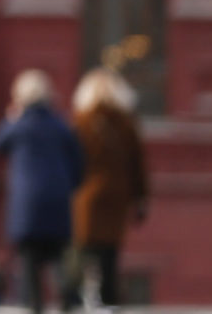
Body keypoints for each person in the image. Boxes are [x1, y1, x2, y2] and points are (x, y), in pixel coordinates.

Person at [0, 70, 83, 314]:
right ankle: (66, 299)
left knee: (30, 257)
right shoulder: (60, 124)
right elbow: (78, 162)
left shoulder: (20, 125)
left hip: (28, 200)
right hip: (57, 197)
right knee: (58, 253)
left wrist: (11, 117)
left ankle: (36, 306)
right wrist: (69, 186)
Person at [69, 69, 147, 310]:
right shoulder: (126, 122)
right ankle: (109, 298)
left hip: (87, 193)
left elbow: (72, 161)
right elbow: (138, 164)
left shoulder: (81, 121)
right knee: (110, 250)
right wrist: (141, 198)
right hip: (118, 193)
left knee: (84, 246)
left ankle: (78, 295)